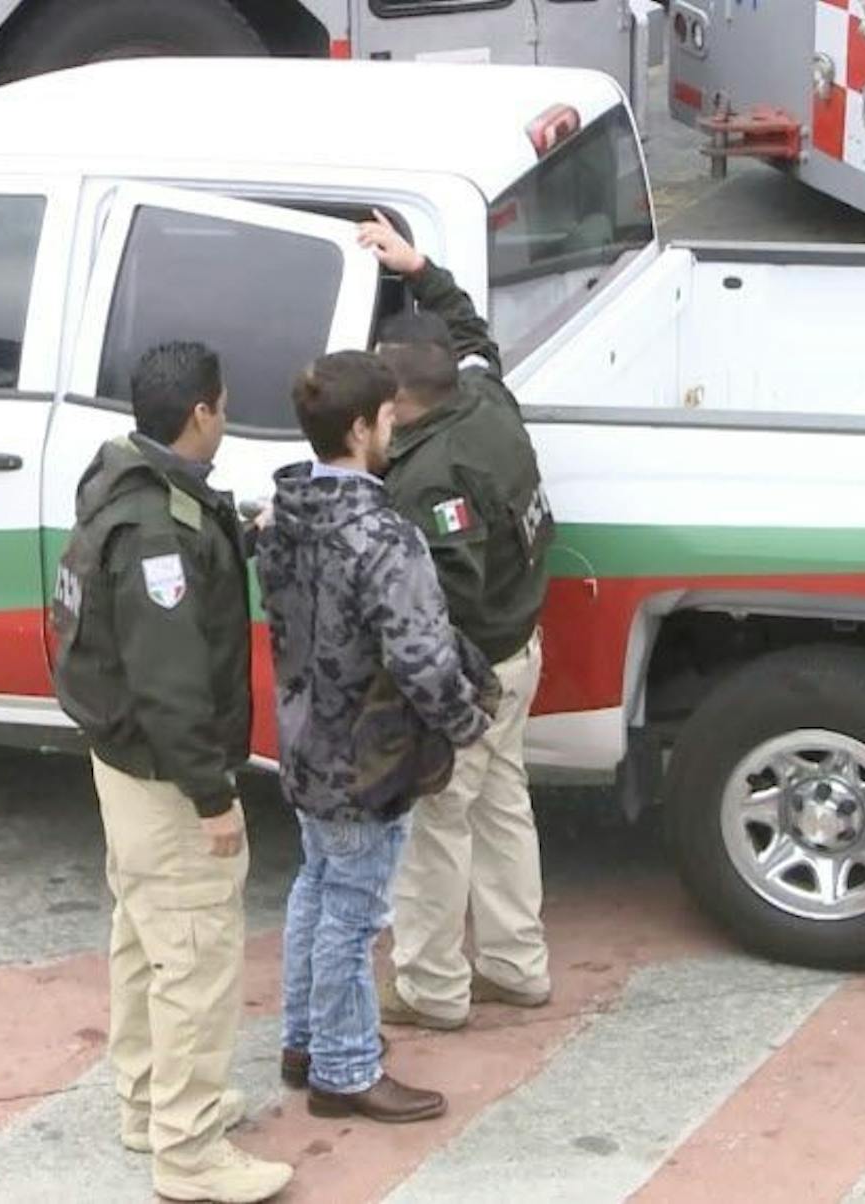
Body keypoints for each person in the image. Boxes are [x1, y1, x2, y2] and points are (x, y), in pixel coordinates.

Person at [50, 341, 292, 1204]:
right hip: (164, 770)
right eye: (223, 406)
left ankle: (151, 1102)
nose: (225, 418)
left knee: (146, 933)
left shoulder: (124, 482)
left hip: (121, 763)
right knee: (195, 952)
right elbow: (171, 681)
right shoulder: (157, 530)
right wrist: (214, 797)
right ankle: (190, 1153)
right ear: (201, 413)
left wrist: (243, 535)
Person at [255, 350, 496, 1123]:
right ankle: (345, 1068)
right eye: (389, 416)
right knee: (354, 914)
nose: (396, 426)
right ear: (361, 427)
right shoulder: (385, 537)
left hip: (302, 738)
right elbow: (422, 656)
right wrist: (468, 723)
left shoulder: (283, 514)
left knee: (317, 888)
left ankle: (306, 1042)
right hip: (368, 753)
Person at [357, 214, 557, 1032]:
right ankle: (516, 964)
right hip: (520, 651)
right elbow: (472, 336)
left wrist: (431, 697)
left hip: (473, 671)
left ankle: (431, 988)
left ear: (402, 404)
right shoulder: (483, 393)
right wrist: (420, 270)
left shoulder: (428, 475)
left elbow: (444, 595)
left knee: (436, 829)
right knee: (502, 807)